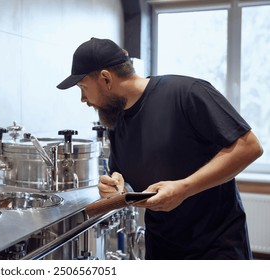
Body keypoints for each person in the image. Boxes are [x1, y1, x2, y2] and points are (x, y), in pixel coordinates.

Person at [56, 37, 263, 259]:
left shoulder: (187, 92)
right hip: (161, 247)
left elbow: (249, 147)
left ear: (106, 78)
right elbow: (123, 176)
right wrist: (116, 186)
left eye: (83, 88)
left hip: (215, 247)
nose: (83, 99)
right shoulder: (116, 119)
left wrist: (184, 188)